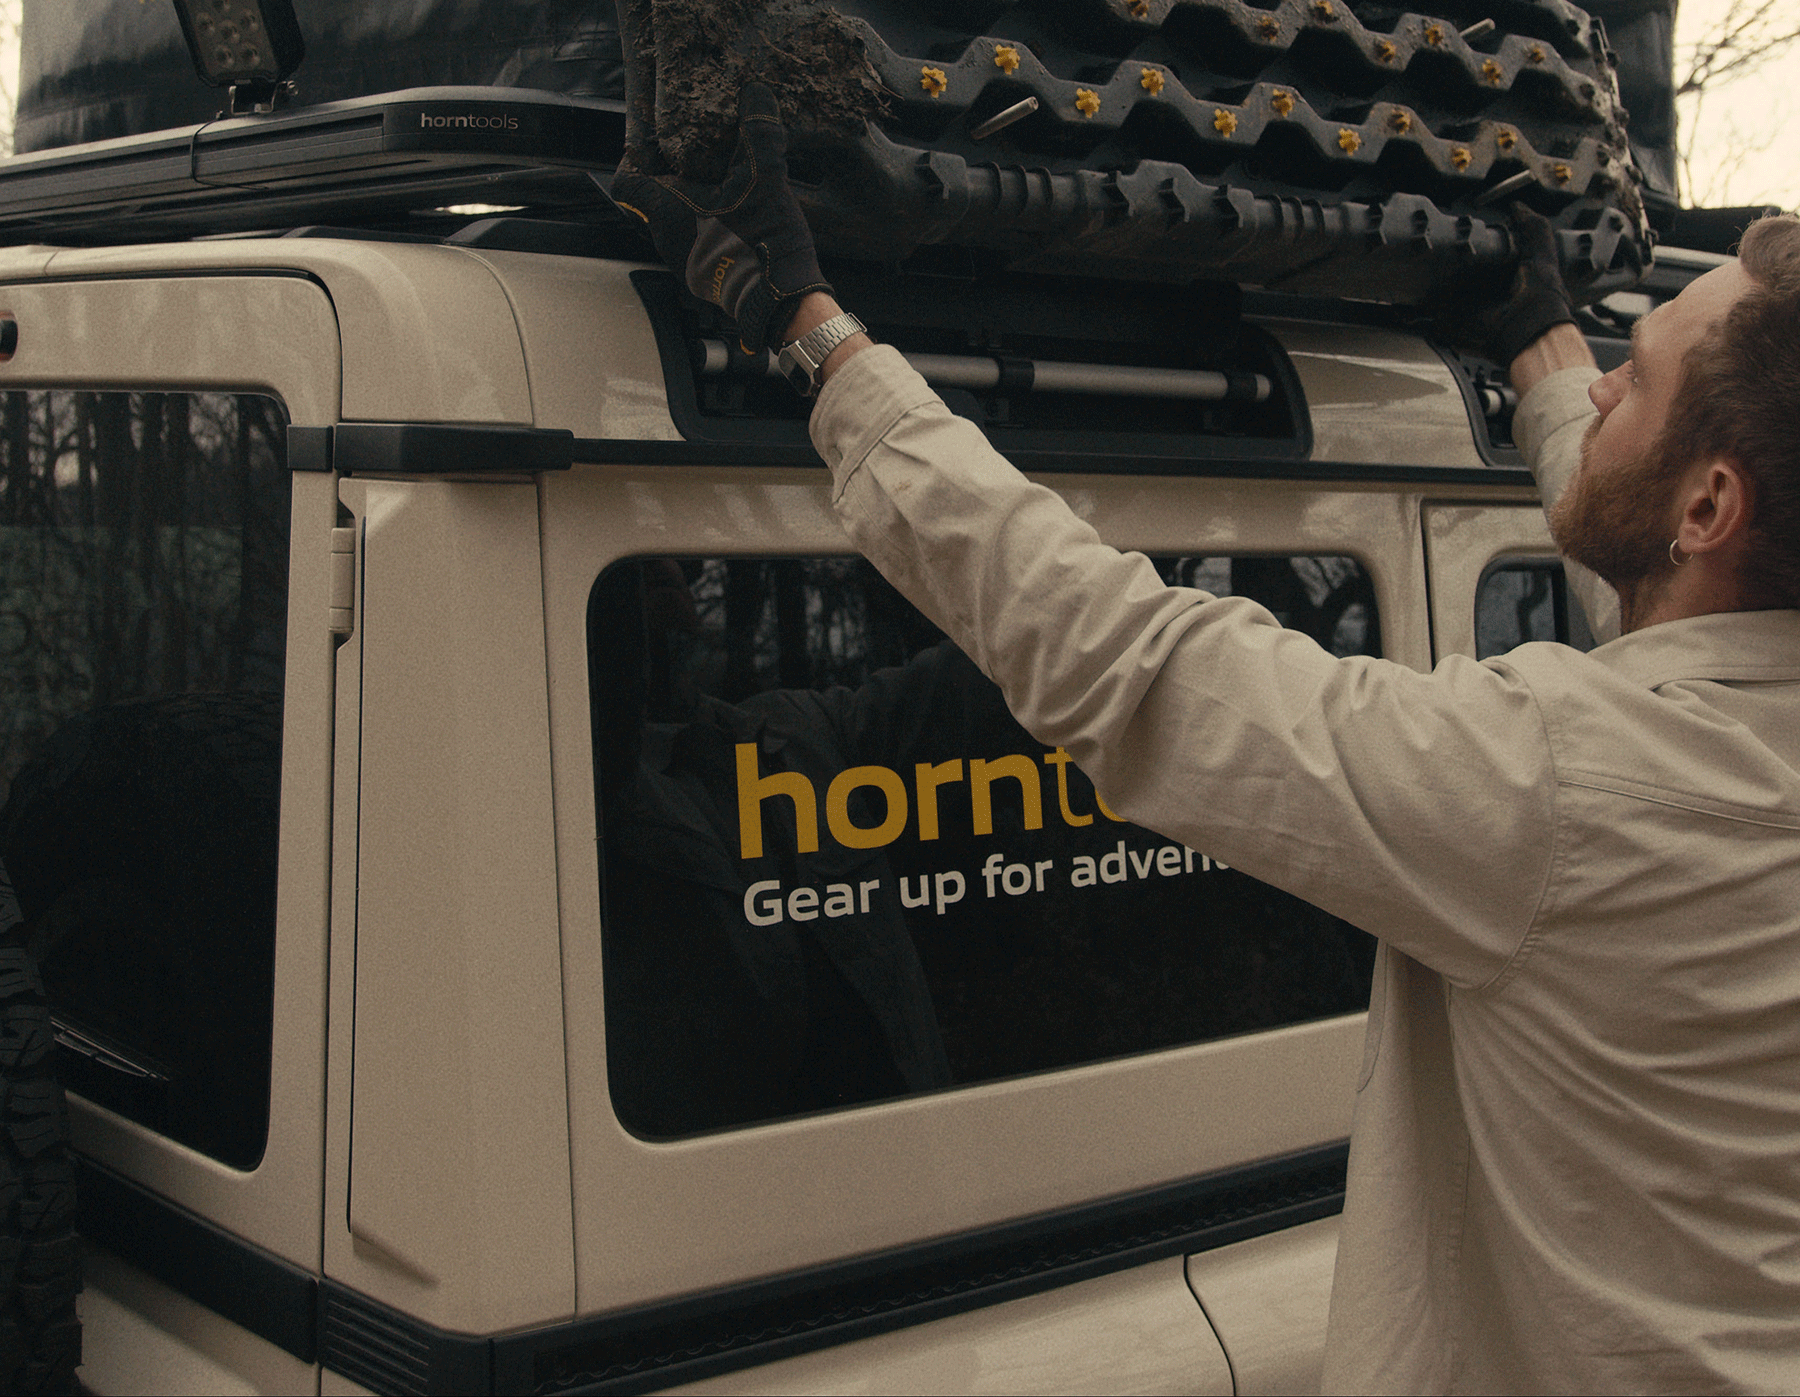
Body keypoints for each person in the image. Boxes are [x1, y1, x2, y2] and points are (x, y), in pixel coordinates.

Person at [611, 87, 1800, 1394]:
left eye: (1641, 369)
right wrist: (1542, 348)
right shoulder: (1715, 722)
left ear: (1710, 504)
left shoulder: (1568, 785)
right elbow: (1668, 586)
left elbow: (1130, 661)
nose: (1609, 375)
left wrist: (819, 343)